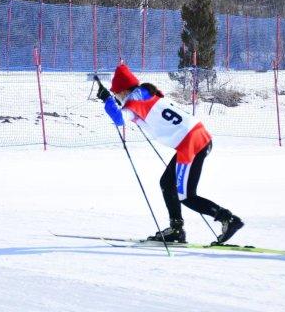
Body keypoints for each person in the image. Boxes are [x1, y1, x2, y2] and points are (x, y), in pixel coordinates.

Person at [97, 64, 243, 244]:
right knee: (167, 183)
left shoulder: (134, 101)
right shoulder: (145, 92)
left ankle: (228, 219)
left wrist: (107, 100)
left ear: (123, 90)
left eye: (117, 93)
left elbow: (119, 119)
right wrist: (113, 101)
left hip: (190, 142)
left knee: (187, 196)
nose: (117, 97)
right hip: (196, 137)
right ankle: (176, 230)